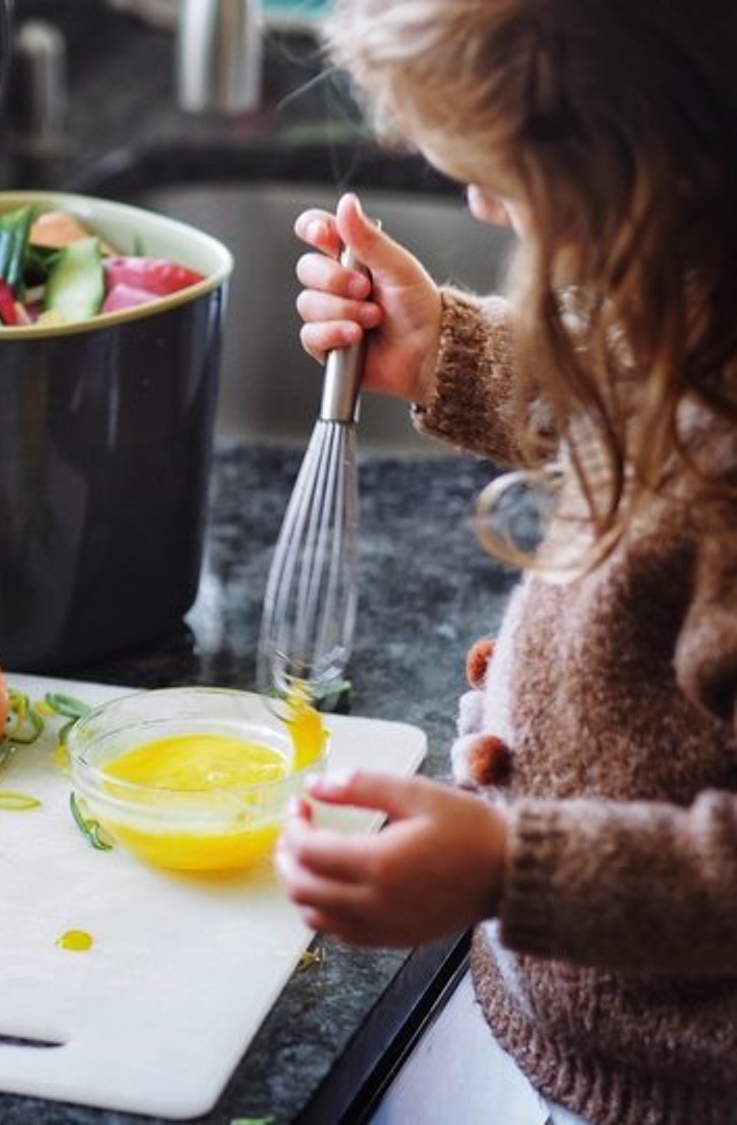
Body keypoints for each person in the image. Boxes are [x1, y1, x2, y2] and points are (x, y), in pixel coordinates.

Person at [272, 2, 737, 1121]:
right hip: (569, 1007)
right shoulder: (706, 291)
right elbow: (643, 396)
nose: (479, 202)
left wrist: (506, 866)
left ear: (655, 151)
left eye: (507, 174)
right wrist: (450, 351)